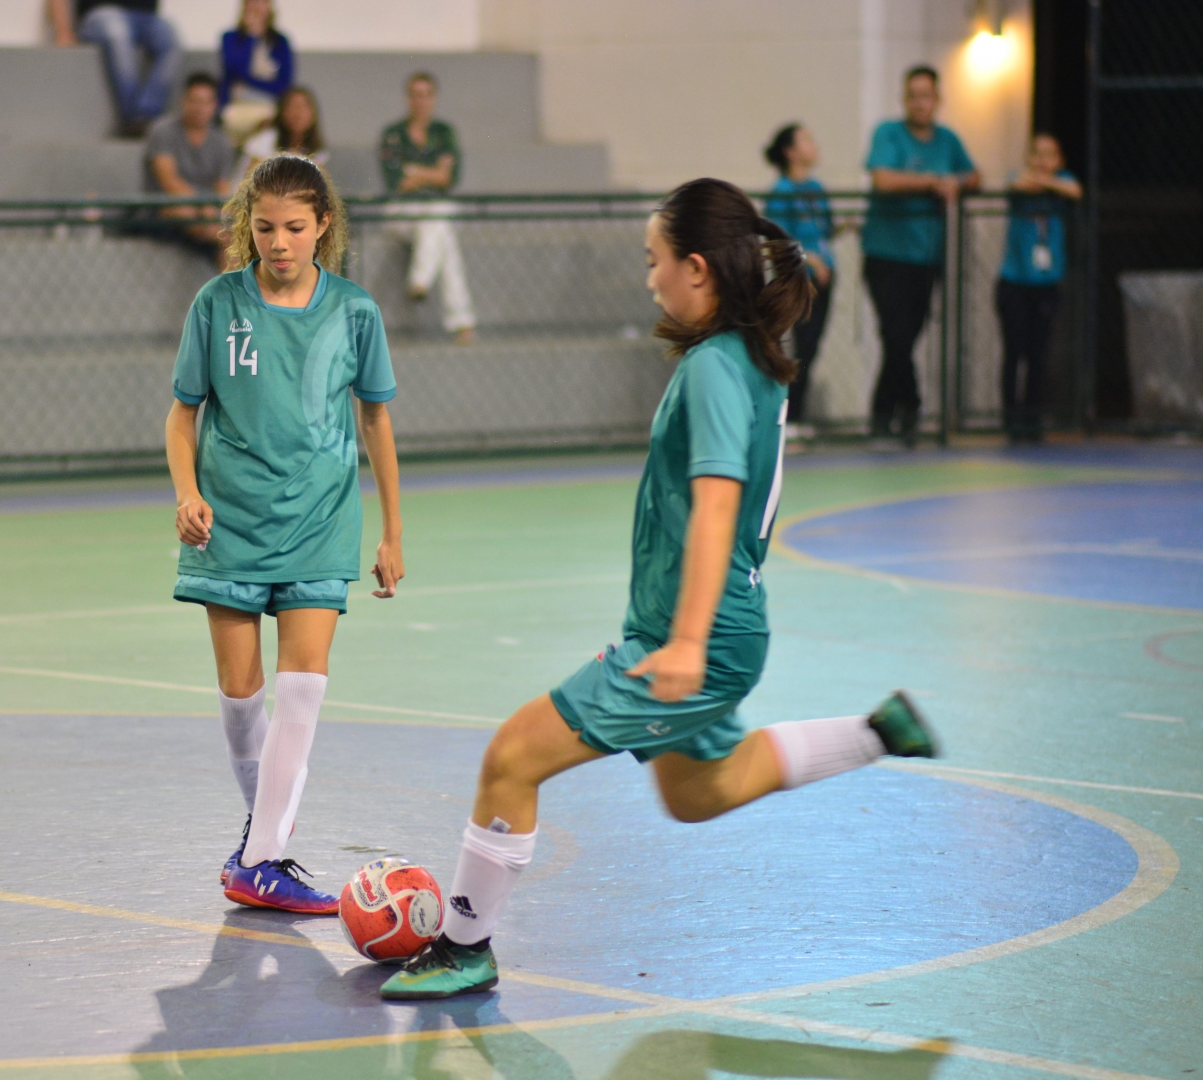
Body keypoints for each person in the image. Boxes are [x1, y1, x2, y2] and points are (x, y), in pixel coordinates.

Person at [379, 179, 939, 1001]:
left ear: (699, 270)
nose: (650, 279)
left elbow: (718, 505)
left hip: (697, 635)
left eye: (656, 262)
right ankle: (873, 732)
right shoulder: (751, 360)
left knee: (512, 758)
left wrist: (684, 639)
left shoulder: (717, 368)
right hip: (727, 626)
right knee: (697, 792)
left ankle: (465, 945)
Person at [165, 155, 404, 914]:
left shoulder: (355, 313)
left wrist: (393, 531)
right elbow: (182, 414)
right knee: (243, 696)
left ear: (323, 226)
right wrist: (187, 491)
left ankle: (260, 856)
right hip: (229, 521)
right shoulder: (216, 303)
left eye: (295, 228)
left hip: (320, 519)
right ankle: (263, 846)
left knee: (304, 688)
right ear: (247, 227)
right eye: (264, 227)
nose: (279, 242)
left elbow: (375, 419)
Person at [861, 66, 979, 446]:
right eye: (912, 95)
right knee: (894, 334)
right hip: (885, 254)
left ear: (937, 100)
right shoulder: (888, 134)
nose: (919, 102)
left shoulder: (947, 140)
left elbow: (975, 175)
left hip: (926, 257)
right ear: (904, 100)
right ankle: (897, 410)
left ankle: (900, 412)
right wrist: (933, 182)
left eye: (926, 95)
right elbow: (883, 178)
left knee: (907, 337)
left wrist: (957, 183)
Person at [378, 72, 477, 345]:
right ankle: (459, 319)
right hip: (402, 211)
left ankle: (422, 283)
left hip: (434, 208)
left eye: (426, 95)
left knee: (440, 226)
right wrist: (432, 172)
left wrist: (415, 171)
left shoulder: (444, 132)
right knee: (440, 224)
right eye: (415, 95)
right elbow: (396, 181)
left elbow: (450, 178)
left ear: (434, 98)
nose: (421, 101)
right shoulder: (393, 135)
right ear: (407, 98)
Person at [996, 133, 1080, 444]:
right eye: (1036, 154)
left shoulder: (1064, 182)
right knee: (1013, 352)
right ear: (1028, 157)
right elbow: (1018, 184)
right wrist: (1042, 181)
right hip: (1014, 281)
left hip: (1046, 284)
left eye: (1050, 155)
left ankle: (1032, 420)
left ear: (1059, 161)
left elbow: (1074, 190)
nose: (1043, 161)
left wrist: (1050, 182)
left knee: (1038, 354)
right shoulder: (1017, 178)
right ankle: (1011, 420)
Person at [763, 123, 834, 437]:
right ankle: (789, 419)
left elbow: (825, 229)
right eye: (806, 140)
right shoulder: (782, 192)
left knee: (812, 348)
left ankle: (799, 417)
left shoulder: (816, 189)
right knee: (800, 347)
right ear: (790, 152)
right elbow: (777, 240)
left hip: (824, 279)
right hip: (799, 281)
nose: (814, 145)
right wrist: (808, 258)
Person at [48, 0, 180, 137]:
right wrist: (63, 32)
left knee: (170, 41)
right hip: (101, 13)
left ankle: (146, 117)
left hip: (146, 16)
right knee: (118, 34)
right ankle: (133, 121)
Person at [144, 73, 236, 266]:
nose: (199, 108)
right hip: (163, 211)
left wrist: (214, 212)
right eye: (194, 101)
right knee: (181, 210)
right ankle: (224, 236)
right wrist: (202, 206)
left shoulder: (222, 142)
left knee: (235, 238)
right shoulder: (162, 131)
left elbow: (222, 188)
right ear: (183, 101)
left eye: (205, 102)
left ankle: (233, 294)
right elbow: (168, 181)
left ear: (214, 105)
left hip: (208, 217)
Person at [218, 0, 294, 146]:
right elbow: (237, 68)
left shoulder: (280, 42)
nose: (257, 6)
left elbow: (283, 85)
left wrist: (247, 80)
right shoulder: (230, 38)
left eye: (262, 2)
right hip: (235, 107)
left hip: (268, 109)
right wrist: (251, 37)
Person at [237, 86, 327, 178]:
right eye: (293, 107)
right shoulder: (264, 140)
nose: (298, 114)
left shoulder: (318, 150)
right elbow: (253, 182)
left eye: (303, 107)